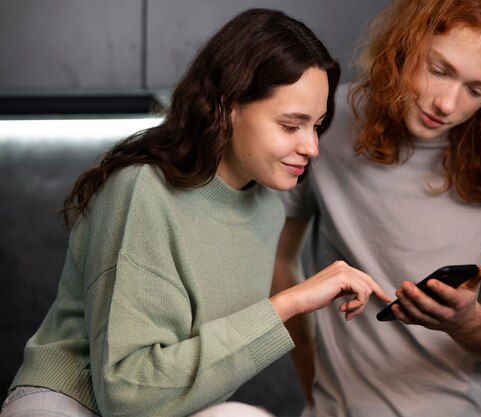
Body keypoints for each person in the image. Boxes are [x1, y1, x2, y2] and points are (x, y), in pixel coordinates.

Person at [1, 8, 391, 417]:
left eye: (318, 126)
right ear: (227, 107)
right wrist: (287, 304)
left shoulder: (267, 212)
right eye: (291, 126)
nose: (312, 147)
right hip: (70, 402)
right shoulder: (142, 191)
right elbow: (126, 394)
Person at [273, 0, 481, 416]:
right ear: (405, 45)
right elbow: (279, 259)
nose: (446, 103)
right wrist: (311, 376)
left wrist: (468, 322)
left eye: (477, 90)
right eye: (438, 70)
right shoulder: (325, 123)